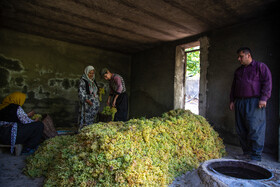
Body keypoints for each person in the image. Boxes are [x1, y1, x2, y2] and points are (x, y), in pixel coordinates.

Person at [229, 47, 272, 162]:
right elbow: (234, 87)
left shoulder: (260, 67)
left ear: (248, 55)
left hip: (254, 102)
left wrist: (264, 98)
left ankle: (256, 155)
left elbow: (267, 82)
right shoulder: (238, 71)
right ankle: (246, 153)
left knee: (255, 128)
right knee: (241, 129)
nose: (239, 59)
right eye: (238, 57)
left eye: (241, 56)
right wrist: (232, 100)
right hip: (240, 102)